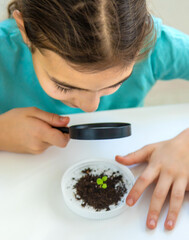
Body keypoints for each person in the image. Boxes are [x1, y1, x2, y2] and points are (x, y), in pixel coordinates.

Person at [0, 0, 189, 231]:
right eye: (64, 87)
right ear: (25, 30)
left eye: (115, 83)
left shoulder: (155, 45)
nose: (90, 107)